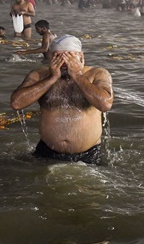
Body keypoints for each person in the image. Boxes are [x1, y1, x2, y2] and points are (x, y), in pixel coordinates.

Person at [10, 35, 114, 164]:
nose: (64, 62)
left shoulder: (97, 73)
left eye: (69, 56)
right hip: (46, 151)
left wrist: (77, 75)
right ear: (51, 57)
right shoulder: (39, 74)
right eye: (58, 57)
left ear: (81, 56)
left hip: (88, 154)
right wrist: (52, 78)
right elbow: (16, 103)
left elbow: (105, 104)